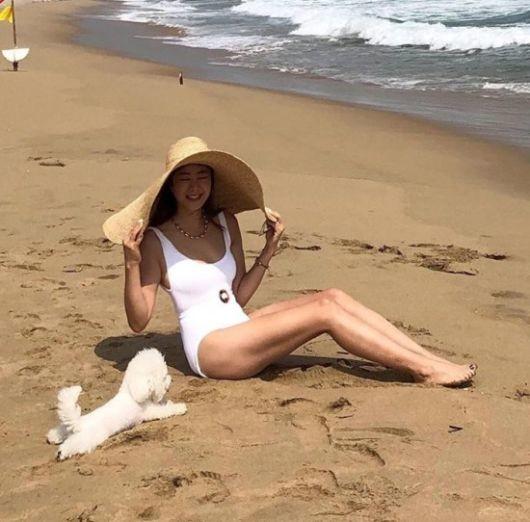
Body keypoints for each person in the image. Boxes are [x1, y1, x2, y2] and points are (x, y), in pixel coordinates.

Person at [106, 137, 477, 386]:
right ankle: (423, 370)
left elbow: (237, 295)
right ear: (170, 186)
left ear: (212, 181)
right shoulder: (155, 240)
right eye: (184, 178)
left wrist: (269, 248)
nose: (194, 187)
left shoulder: (225, 223)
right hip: (211, 348)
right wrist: (131, 263)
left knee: (333, 296)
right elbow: (139, 321)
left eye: (202, 176)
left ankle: (428, 358)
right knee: (324, 314)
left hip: (238, 323)